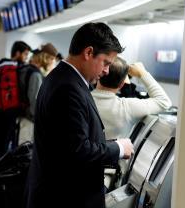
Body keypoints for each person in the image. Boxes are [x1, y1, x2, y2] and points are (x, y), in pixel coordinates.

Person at [25, 23, 134, 208]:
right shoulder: (68, 88)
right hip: (64, 198)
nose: (107, 70)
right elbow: (77, 151)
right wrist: (118, 148)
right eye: (106, 62)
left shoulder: (63, 79)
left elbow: (69, 141)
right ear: (88, 53)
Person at [92, 58, 172, 139]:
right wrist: (142, 73)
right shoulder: (127, 107)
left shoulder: (82, 99)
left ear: (99, 75)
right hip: (116, 151)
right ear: (122, 84)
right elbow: (164, 101)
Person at [0, 41, 31, 168]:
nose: (26, 58)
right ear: (17, 53)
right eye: (25, 54)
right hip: (9, 112)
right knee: (4, 146)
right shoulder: (17, 68)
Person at [17, 43, 59, 144]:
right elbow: (35, 102)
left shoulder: (27, 69)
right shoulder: (35, 75)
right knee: (25, 155)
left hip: (23, 117)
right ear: (45, 57)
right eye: (51, 59)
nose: (51, 62)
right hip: (29, 122)